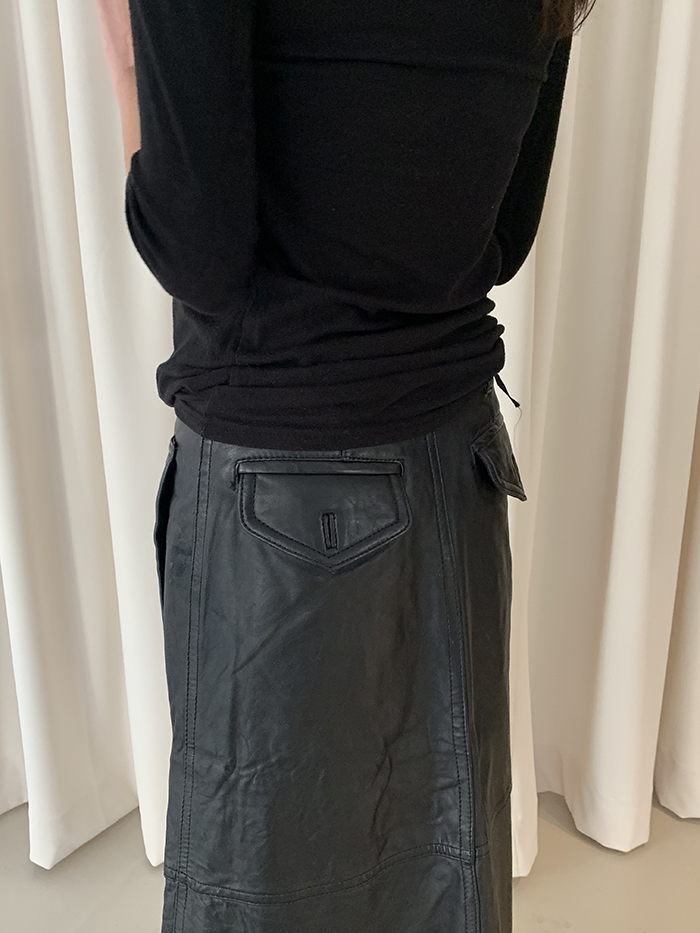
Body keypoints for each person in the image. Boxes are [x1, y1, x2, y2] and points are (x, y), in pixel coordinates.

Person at [97, 1, 596, 931]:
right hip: (455, 472)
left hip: (274, 488)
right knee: (442, 879)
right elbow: (503, 234)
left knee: (261, 891)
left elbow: (199, 254)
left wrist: (129, 72)